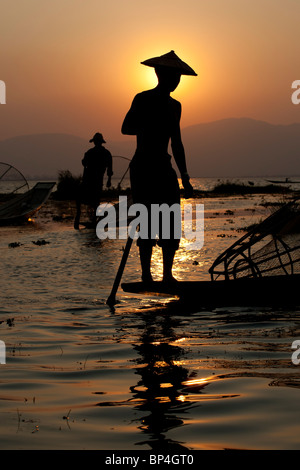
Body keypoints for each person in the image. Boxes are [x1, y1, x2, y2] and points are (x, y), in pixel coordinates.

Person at [121, 50, 196, 283]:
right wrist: (148, 122)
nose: (176, 81)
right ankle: (146, 275)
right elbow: (126, 128)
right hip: (143, 166)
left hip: (164, 166)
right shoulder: (142, 98)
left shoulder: (176, 106)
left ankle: (167, 275)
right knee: (146, 219)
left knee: (170, 218)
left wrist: (185, 176)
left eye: (178, 77)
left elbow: (178, 143)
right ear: (159, 74)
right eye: (172, 76)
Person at [74, 132, 113, 229]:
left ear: (95, 142)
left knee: (82, 199)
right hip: (96, 181)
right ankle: (94, 220)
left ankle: (79, 220)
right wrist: (109, 181)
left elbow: (83, 163)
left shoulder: (89, 152)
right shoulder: (107, 154)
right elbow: (110, 170)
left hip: (88, 180)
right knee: (95, 201)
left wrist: (108, 180)